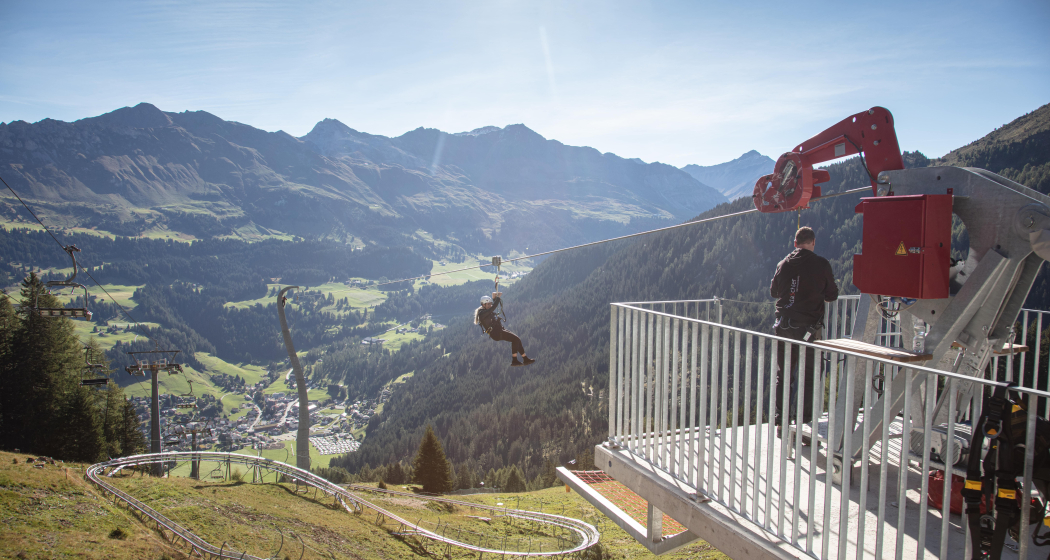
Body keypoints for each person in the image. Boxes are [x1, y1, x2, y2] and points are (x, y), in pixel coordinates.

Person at [770, 226, 838, 429]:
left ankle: (781, 420)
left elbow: (774, 292)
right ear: (813, 242)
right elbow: (832, 295)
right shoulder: (821, 264)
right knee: (810, 374)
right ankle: (805, 420)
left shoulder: (784, 263)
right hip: (809, 328)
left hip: (784, 325)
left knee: (784, 374)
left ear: (795, 244)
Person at [475, 292, 535, 367]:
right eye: (488, 304)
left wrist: (494, 298)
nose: (490, 305)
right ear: (483, 305)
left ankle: (525, 359)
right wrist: (498, 298)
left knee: (517, 340)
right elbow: (493, 308)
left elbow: (492, 307)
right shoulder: (482, 314)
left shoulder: (486, 311)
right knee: (515, 340)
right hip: (496, 333)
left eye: (490, 304)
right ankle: (515, 360)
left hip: (499, 331)